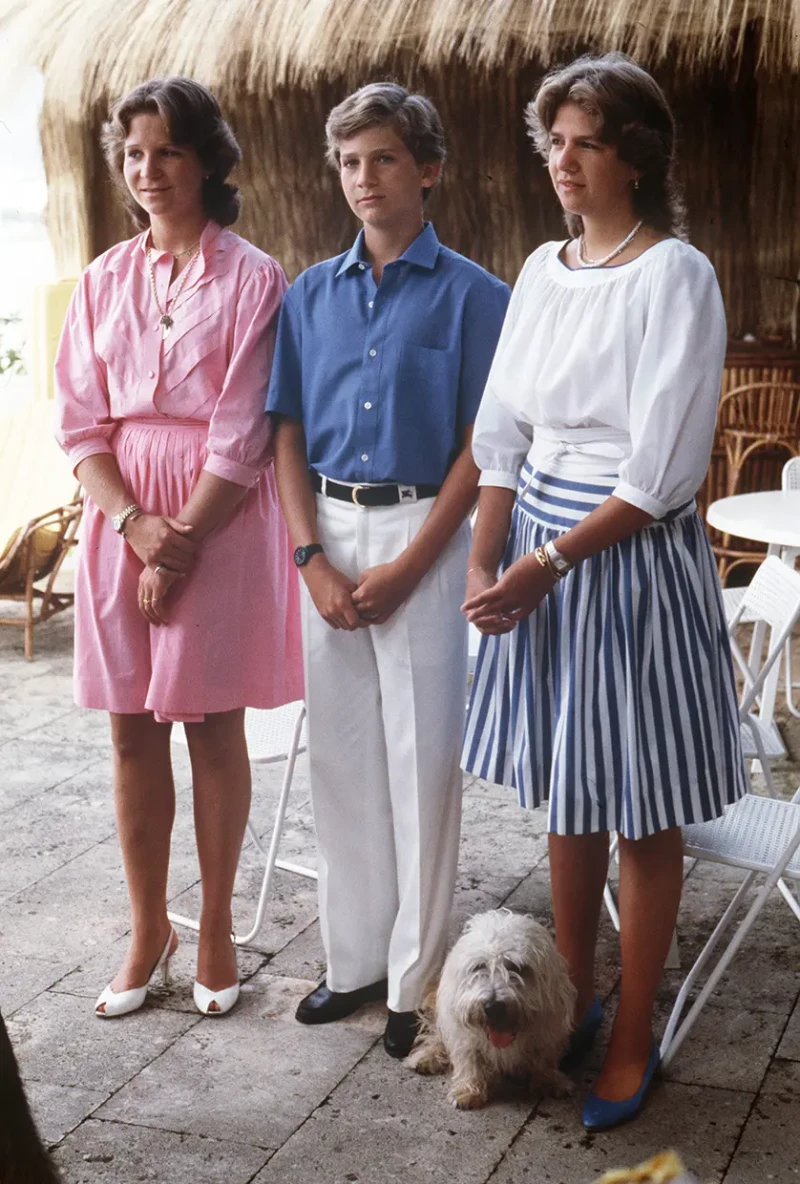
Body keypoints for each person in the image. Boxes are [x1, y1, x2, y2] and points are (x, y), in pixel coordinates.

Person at [461, 52, 746, 1129]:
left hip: (619, 558)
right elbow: (500, 435)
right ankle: (566, 999)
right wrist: (488, 559)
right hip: (537, 544)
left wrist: (543, 565)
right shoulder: (541, 269)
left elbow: (658, 472)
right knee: (568, 794)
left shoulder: (675, 273)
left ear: (634, 152)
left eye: (584, 140)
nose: (562, 161)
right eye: (553, 142)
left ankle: (631, 1024)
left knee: (637, 806)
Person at [267, 82, 510, 1059]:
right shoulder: (307, 295)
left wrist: (414, 562)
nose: (362, 179)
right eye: (348, 162)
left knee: (419, 765)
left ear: (427, 169)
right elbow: (282, 429)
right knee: (341, 761)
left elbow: (479, 445)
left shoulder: (475, 296)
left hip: (425, 528)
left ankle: (412, 979)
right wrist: (308, 556)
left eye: (381, 159)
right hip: (326, 527)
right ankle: (352, 960)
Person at [54, 77, 302, 1019]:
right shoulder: (102, 278)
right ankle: (148, 926)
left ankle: (218, 927)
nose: (148, 170)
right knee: (128, 727)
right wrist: (132, 527)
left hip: (218, 515)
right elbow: (81, 424)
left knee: (210, 724)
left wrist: (180, 541)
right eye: (134, 154)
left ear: (207, 162)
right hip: (121, 514)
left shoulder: (252, 278)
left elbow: (243, 429)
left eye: (168, 151)